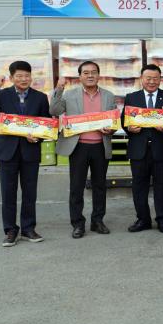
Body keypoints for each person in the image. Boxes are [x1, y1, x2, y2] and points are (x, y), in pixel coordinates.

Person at [0, 61, 50, 247]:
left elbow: (46, 124)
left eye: (27, 76)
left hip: (30, 151)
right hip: (7, 151)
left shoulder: (40, 97)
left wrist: (37, 137)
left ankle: (28, 228)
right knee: (8, 192)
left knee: (30, 193)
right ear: (11, 78)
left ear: (31, 77)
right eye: (19, 76)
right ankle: (10, 230)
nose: (24, 79)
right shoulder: (2, 95)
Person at [51, 61, 117, 239]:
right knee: (76, 187)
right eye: (86, 73)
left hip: (100, 146)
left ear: (99, 75)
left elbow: (113, 122)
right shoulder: (69, 95)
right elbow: (54, 110)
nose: (90, 75)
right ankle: (78, 224)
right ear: (80, 76)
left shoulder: (109, 96)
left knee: (99, 186)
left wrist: (111, 129)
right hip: (78, 146)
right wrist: (59, 89)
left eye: (93, 72)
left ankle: (97, 221)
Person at [122, 64, 163, 234]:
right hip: (138, 150)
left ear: (160, 79)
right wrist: (129, 128)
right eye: (148, 78)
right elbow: (124, 121)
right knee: (139, 187)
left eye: (155, 78)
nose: (152, 81)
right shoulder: (131, 97)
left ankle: (162, 219)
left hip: (161, 150)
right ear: (141, 79)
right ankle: (143, 219)